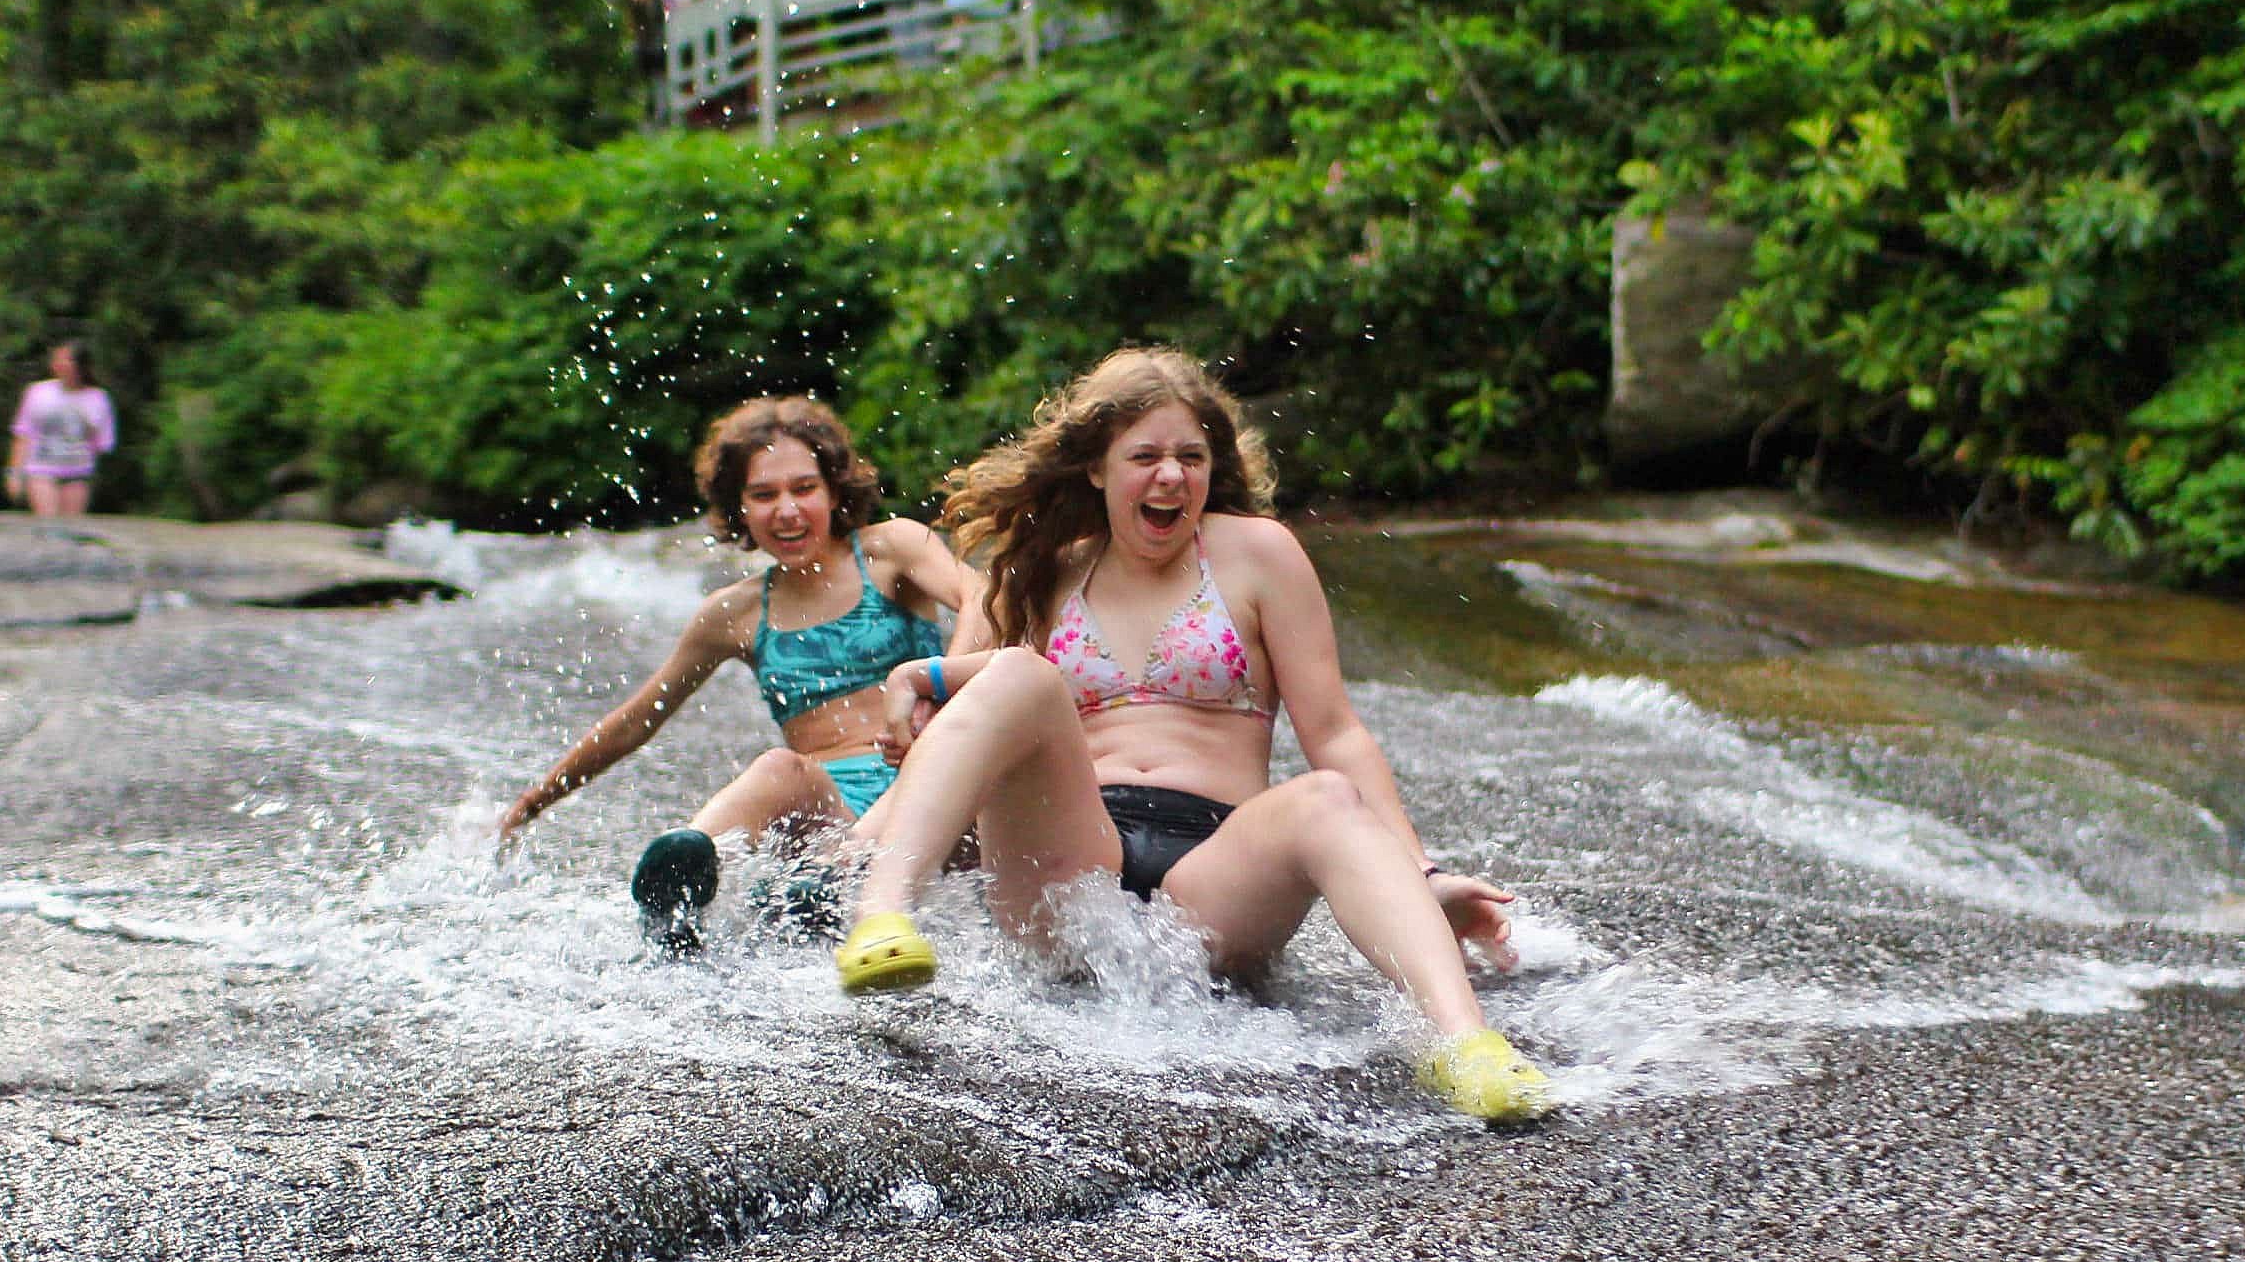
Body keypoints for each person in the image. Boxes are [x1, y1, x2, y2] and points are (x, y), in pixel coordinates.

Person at [833, 348, 1551, 1123]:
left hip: (1212, 878)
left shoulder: (1257, 554)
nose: (1170, 475)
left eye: (1191, 456)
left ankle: (1465, 1047)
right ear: (1098, 469)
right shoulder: (1046, 570)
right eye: (1144, 456)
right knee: (1018, 674)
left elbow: (1336, 733)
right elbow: (985, 728)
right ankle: (881, 918)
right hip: (1073, 863)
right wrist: (916, 695)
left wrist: (1423, 873)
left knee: (1326, 797)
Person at [498, 395, 977, 954]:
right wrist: (534, 801)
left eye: (804, 488)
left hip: (936, 774)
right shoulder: (734, 612)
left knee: (881, 822)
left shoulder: (894, 549)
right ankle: (685, 882)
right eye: (764, 495)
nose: (787, 511)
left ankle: (820, 888)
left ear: (834, 490)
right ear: (740, 509)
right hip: (830, 809)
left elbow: (981, 597)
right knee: (778, 768)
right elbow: (638, 719)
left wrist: (937, 690)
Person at [5, 342, 114, 520]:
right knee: (49, 523)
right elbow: (23, 434)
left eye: (63, 359)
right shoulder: (38, 392)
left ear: (78, 365)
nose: (56, 364)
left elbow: (101, 442)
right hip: (41, 469)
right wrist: (15, 473)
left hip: (78, 472)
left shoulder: (97, 398)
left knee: (72, 526)